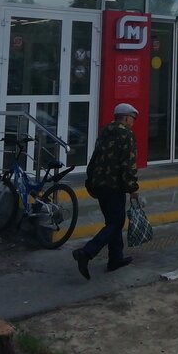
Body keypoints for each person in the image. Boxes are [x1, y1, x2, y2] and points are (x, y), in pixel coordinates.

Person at [72, 102, 140, 280]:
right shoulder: (127, 135)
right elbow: (128, 164)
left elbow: (94, 158)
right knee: (116, 222)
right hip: (114, 186)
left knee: (113, 221)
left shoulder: (104, 132)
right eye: (132, 119)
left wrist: (90, 181)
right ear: (126, 118)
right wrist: (133, 188)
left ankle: (115, 259)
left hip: (99, 184)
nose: (133, 122)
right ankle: (86, 252)